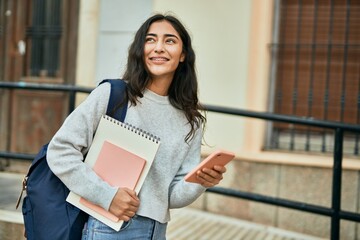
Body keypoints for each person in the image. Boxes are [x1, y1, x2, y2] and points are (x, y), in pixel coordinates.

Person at [47, 13, 226, 239]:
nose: (158, 47)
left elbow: (169, 196)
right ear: (140, 50)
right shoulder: (112, 95)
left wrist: (199, 182)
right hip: (107, 227)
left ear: (183, 55)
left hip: (157, 231)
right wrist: (107, 196)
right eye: (150, 40)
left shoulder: (191, 120)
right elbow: (59, 151)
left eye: (169, 40)